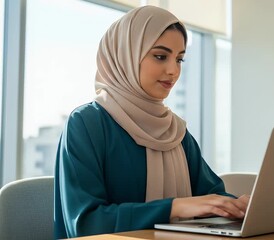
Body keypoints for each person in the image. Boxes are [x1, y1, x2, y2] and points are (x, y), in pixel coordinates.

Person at [54, 5, 249, 239]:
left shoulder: (174, 131)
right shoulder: (87, 124)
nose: (173, 70)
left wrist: (240, 205)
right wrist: (174, 208)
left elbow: (211, 197)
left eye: (179, 59)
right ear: (126, 55)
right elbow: (87, 223)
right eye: (160, 56)